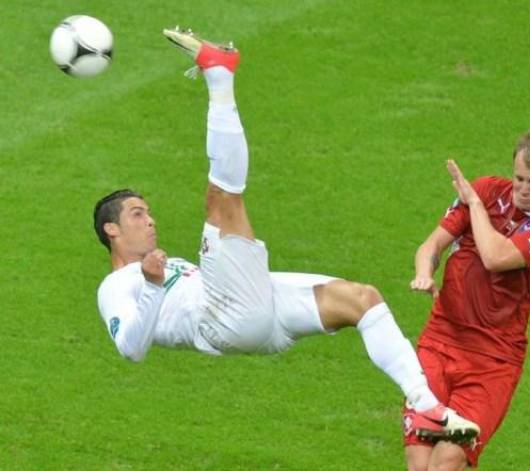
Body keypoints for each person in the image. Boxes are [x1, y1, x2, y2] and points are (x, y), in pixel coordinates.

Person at [93, 27, 480, 442]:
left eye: (149, 213)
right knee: (222, 200)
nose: (150, 221)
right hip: (223, 319)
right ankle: (219, 75)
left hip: (255, 313)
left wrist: (157, 279)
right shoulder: (115, 286)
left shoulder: (164, 265)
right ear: (111, 229)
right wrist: (153, 286)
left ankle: (426, 405)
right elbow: (131, 350)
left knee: (362, 299)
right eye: (137, 214)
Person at [404, 133, 530, 469]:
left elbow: (495, 257)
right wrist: (424, 273)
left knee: (447, 460)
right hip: (440, 339)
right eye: (519, 178)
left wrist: (475, 205)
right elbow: (432, 245)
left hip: (492, 358)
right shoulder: (486, 190)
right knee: (418, 460)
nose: (523, 189)